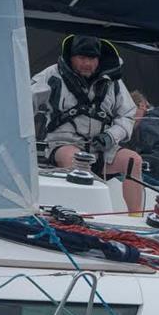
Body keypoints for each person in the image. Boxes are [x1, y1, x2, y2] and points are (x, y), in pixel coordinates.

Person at [32, 35, 143, 213]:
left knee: (133, 161)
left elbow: (128, 115)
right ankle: (72, 214)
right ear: (71, 57)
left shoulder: (113, 80)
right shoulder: (51, 75)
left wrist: (110, 136)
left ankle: (135, 216)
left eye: (92, 59)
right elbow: (25, 104)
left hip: (104, 147)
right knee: (77, 161)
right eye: (82, 58)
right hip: (63, 144)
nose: (87, 64)